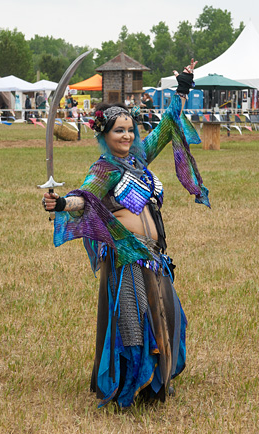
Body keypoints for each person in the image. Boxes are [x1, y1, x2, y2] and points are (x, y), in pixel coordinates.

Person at [42, 58, 210, 409]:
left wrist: (181, 89)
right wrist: (60, 205)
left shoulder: (137, 158)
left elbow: (166, 129)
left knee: (167, 316)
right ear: (104, 134)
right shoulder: (105, 168)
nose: (127, 136)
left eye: (130, 129)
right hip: (127, 258)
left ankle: (156, 383)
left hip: (154, 256)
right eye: (119, 130)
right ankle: (129, 385)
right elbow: (84, 198)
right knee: (134, 326)